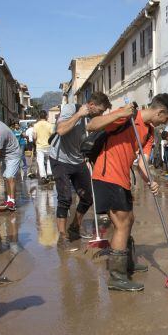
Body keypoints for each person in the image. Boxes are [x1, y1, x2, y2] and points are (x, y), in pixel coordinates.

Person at [88, 93, 168, 292]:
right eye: (166, 118)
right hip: (107, 175)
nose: (165, 123)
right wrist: (121, 114)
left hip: (122, 179)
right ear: (160, 112)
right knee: (122, 222)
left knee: (130, 218)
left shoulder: (148, 132)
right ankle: (117, 277)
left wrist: (150, 181)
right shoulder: (127, 116)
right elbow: (92, 125)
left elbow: (142, 164)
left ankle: (127, 263)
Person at [52, 92, 110, 240]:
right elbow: (60, 130)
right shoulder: (71, 109)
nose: (101, 114)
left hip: (78, 159)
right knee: (65, 198)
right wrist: (79, 115)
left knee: (88, 197)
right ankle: (63, 235)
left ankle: (74, 227)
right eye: (100, 111)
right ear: (91, 106)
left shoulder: (93, 120)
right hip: (60, 159)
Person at [33, 115, 54, 184]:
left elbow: (34, 136)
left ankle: (43, 176)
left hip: (39, 146)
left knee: (40, 161)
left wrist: (35, 142)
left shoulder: (36, 125)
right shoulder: (50, 125)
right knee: (49, 160)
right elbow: (52, 135)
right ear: (46, 117)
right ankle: (50, 174)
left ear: (39, 117)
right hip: (48, 145)